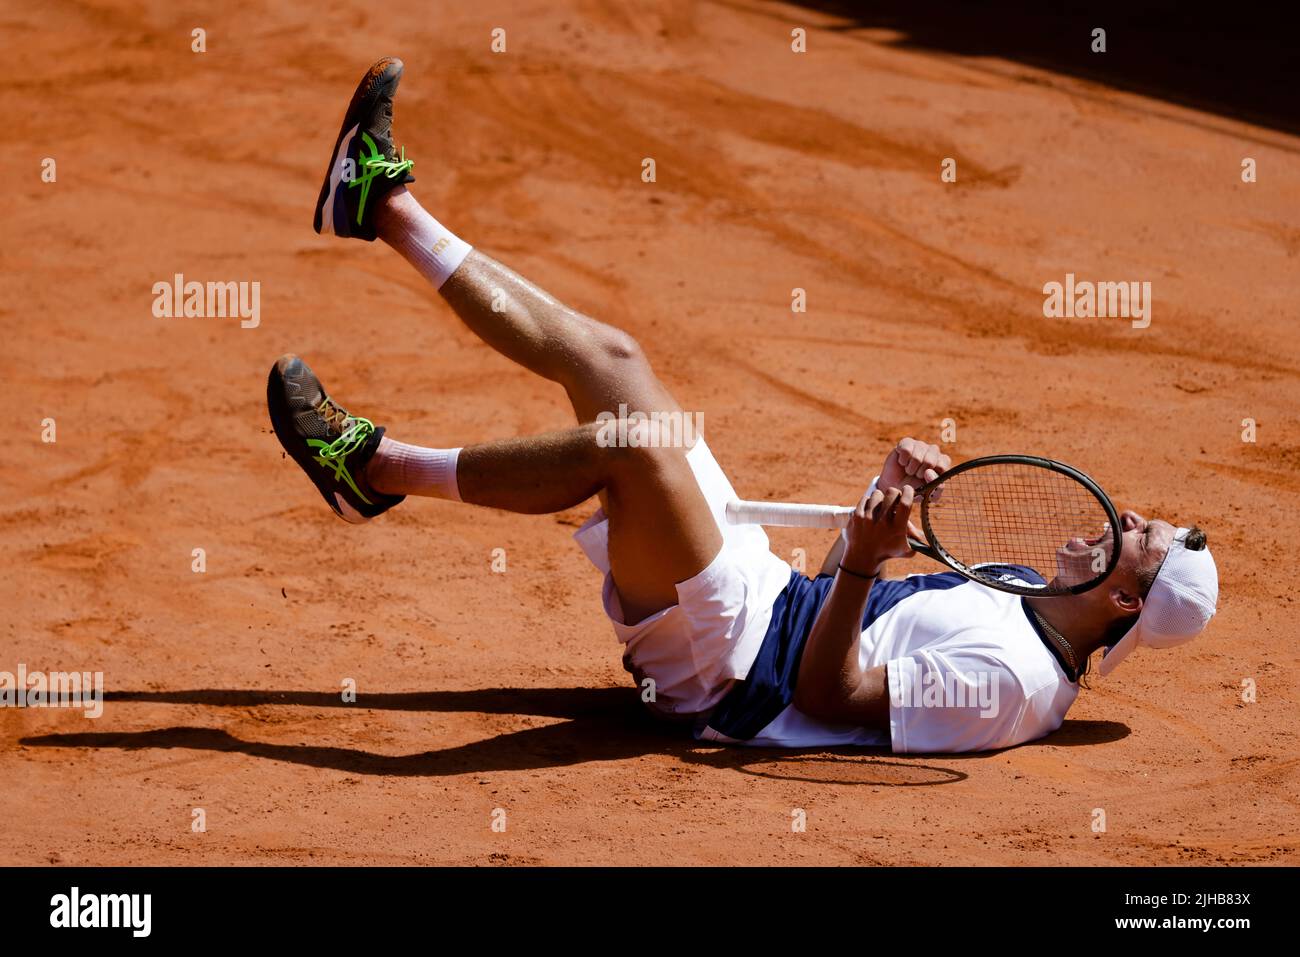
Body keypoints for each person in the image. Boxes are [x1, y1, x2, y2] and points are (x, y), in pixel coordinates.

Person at [269, 58, 1219, 753]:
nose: (1127, 516)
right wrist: (874, 510)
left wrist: (856, 565)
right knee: (615, 358)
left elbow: (832, 690)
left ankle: (371, 465)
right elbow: (849, 600)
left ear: (1128, 598)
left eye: (1141, 536)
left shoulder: (1011, 688)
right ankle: (380, 207)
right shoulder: (1019, 583)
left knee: (634, 447)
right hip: (770, 599)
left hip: (733, 674)